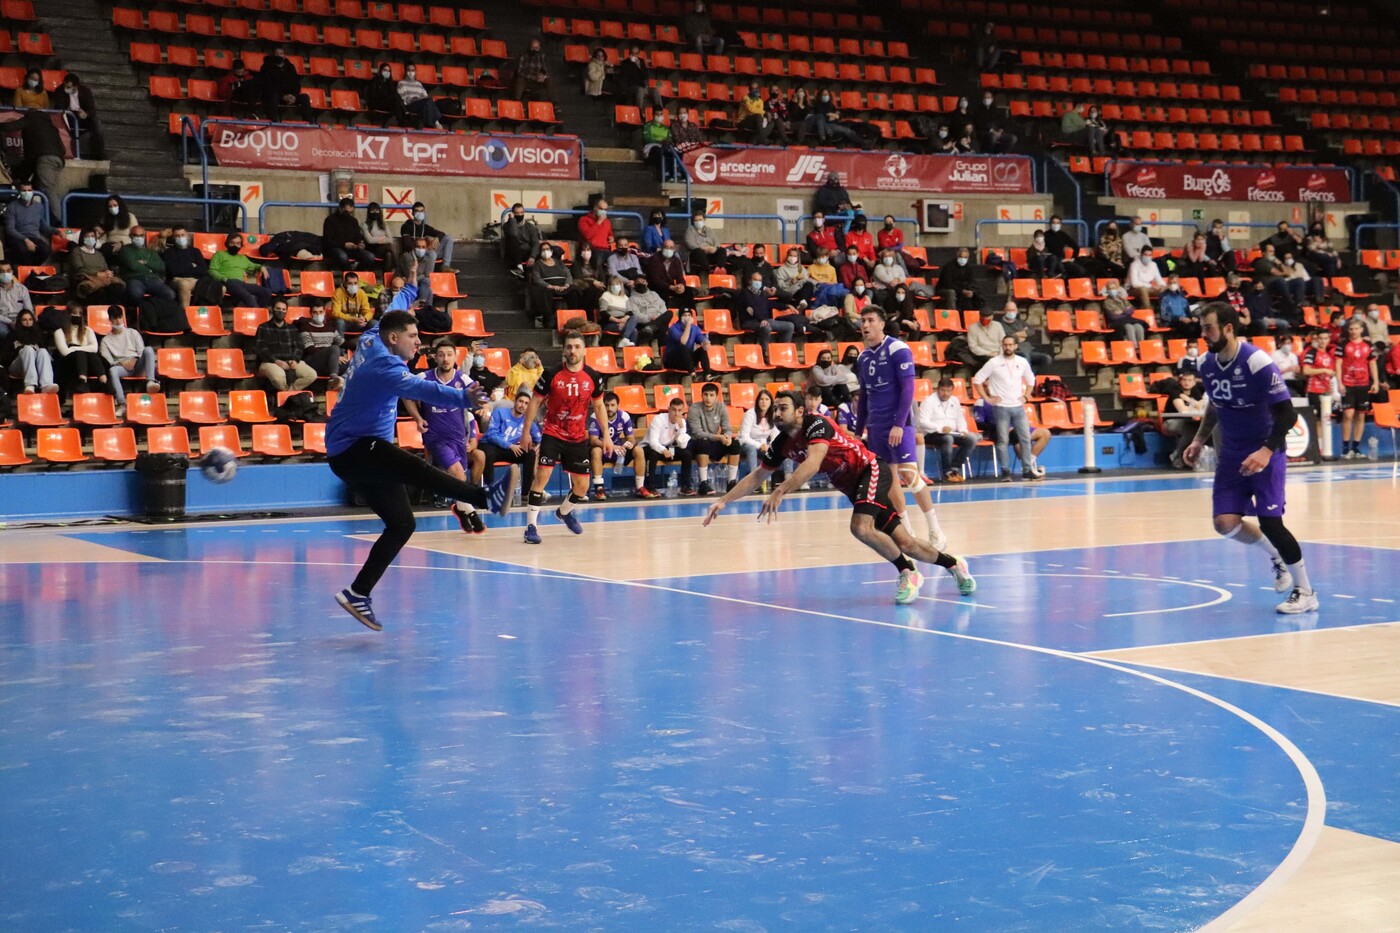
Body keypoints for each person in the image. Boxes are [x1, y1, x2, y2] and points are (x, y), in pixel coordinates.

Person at [703, 390, 975, 605]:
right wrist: (723, 500)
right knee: (905, 542)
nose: (776, 413)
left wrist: (780, 490)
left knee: (860, 527)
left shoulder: (816, 424)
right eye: (775, 409)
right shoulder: (781, 443)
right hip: (853, 485)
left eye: (782, 408)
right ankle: (954, 564)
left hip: (871, 470)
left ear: (800, 411)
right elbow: (757, 475)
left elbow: (813, 463)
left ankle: (907, 572)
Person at [325, 311, 506, 629]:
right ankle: (482, 498)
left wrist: (409, 290)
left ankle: (358, 592)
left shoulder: (372, 337)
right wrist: (463, 398)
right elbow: (426, 391)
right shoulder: (385, 366)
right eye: (413, 336)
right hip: (353, 448)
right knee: (412, 466)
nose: (419, 342)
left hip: (357, 452)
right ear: (394, 338)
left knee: (402, 524)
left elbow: (391, 311)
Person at [1183, 303, 1317, 614]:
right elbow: (1215, 405)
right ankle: (1276, 557)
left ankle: (1306, 591)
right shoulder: (1206, 363)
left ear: (1228, 328)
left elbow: (1287, 414)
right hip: (1231, 453)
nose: (1203, 334)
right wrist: (1199, 439)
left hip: (1265, 452)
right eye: (1202, 328)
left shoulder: (1257, 362)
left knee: (1271, 523)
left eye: (1208, 328)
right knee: (1224, 523)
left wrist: (1266, 451)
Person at [856, 306, 947, 548]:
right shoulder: (862, 357)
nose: (865, 325)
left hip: (898, 423)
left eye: (870, 320)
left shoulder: (897, 349)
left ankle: (935, 530)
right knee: (888, 478)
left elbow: (908, 389)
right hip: (876, 427)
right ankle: (906, 531)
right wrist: (857, 431)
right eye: (863, 321)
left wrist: (898, 424)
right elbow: (863, 397)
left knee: (909, 474)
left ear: (882, 324)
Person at [518, 331, 611, 544]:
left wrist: (606, 435)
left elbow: (599, 407)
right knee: (542, 476)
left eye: (577, 347)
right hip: (553, 432)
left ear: (584, 350)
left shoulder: (593, 377)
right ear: (564, 350)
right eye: (569, 347)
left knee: (582, 487)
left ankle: (564, 512)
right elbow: (535, 402)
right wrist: (525, 432)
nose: (573, 351)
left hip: (577, 436)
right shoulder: (551, 374)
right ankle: (531, 527)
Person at [403, 340, 488, 529]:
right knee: (458, 474)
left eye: (449, 354)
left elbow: (482, 397)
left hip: (458, 436)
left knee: (460, 477)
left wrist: (483, 407)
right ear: (435, 357)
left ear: (455, 357)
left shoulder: (462, 379)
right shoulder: (425, 377)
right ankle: (472, 513)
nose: (445, 359)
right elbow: (405, 394)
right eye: (441, 355)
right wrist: (417, 418)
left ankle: (459, 508)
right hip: (435, 436)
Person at [972, 335, 1040, 481]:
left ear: (1016, 346)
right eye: (1005, 345)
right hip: (1001, 407)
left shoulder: (1022, 361)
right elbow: (977, 380)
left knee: (1025, 439)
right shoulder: (994, 362)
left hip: (1018, 406)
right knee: (1003, 440)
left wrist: (1026, 396)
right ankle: (1005, 471)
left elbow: (1031, 379)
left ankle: (1027, 469)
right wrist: (987, 398)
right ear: (1002, 346)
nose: (1007, 347)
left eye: (1010, 345)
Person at [99, 306, 161, 416]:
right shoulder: (105, 341)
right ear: (110, 319)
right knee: (113, 371)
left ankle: (150, 381)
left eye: (120, 317)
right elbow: (108, 360)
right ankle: (122, 404)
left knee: (148, 350)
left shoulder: (133, 333)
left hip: (137, 364)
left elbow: (141, 351)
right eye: (115, 318)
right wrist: (122, 363)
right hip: (122, 366)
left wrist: (135, 360)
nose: (118, 321)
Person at [479, 387, 541, 498]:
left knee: (530, 454)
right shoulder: (500, 412)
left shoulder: (527, 420)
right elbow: (491, 435)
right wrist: (509, 445)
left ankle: (525, 494)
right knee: (488, 453)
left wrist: (539, 445)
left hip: (510, 449)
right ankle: (489, 491)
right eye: (520, 401)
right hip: (491, 445)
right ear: (515, 401)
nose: (522, 405)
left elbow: (539, 438)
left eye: (526, 403)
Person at [589, 391, 649, 499]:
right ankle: (599, 489)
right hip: (603, 451)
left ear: (618, 406)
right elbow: (593, 440)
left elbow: (631, 438)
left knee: (639, 450)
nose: (609, 408)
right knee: (595, 451)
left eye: (613, 405)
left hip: (618, 451)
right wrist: (611, 446)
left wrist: (629, 444)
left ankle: (640, 487)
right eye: (607, 405)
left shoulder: (624, 416)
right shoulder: (595, 416)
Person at [917, 377, 978, 482]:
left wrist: (963, 430)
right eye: (943, 390)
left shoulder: (955, 400)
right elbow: (923, 422)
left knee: (972, 438)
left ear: (952, 390)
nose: (945, 393)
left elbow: (960, 418)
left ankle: (955, 468)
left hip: (952, 432)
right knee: (948, 438)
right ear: (937, 389)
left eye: (948, 391)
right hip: (931, 433)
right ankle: (947, 471)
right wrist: (940, 428)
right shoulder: (928, 402)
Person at [1336, 317, 1380, 459]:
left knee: (1361, 415)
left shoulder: (1368, 344)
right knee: (1348, 414)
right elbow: (1338, 364)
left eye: (1356, 328)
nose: (1354, 331)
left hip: (1363, 383)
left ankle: (1355, 447)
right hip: (1348, 383)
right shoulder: (1343, 344)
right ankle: (1345, 448)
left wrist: (1376, 382)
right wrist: (1339, 382)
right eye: (1351, 329)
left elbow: (1372, 363)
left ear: (1361, 329)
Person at [255, 299, 317, 393]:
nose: (281, 311)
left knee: (312, 375)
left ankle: (288, 393)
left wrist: (295, 360)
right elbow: (261, 348)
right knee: (279, 377)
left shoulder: (292, 328)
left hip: (290, 360)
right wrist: (277, 361)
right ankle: (288, 395)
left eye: (283, 309)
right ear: (272, 309)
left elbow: (299, 347)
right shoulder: (263, 327)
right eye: (278, 309)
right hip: (269, 362)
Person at [688, 382, 740, 493]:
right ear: (701, 395)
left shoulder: (721, 407)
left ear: (716, 396)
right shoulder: (694, 408)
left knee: (735, 444)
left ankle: (731, 482)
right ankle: (703, 483)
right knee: (703, 443)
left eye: (711, 395)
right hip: (697, 443)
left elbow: (727, 427)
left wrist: (727, 437)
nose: (708, 398)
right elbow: (697, 433)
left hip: (715, 441)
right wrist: (718, 437)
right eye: (705, 395)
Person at [114, 226, 174, 306]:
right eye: (136, 235)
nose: (139, 238)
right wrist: (150, 269)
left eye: (141, 235)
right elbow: (133, 266)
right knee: (135, 294)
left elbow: (161, 267)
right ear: (130, 236)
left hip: (152, 280)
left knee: (170, 294)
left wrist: (145, 262)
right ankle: (139, 310)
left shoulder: (150, 251)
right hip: (134, 279)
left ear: (144, 236)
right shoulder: (125, 250)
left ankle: (151, 308)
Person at [53, 302, 107, 393]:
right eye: (74, 313)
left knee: (93, 355)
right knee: (80, 354)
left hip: (87, 363)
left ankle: (104, 382)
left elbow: (94, 348)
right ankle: (82, 381)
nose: (77, 316)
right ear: (68, 315)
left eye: (80, 314)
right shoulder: (59, 332)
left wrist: (74, 347)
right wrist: (82, 349)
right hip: (68, 364)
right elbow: (65, 352)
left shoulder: (88, 330)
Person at [2, 308, 58, 394]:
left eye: (30, 319)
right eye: (24, 320)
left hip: (35, 365)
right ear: (20, 321)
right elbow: (5, 355)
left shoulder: (39, 335)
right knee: (28, 349)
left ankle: (46, 385)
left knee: (43, 351)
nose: (28, 322)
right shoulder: (12, 335)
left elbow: (45, 355)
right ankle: (30, 384)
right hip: (17, 366)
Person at [209, 233, 272, 307]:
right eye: (232, 243)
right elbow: (212, 270)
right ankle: (257, 313)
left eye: (238, 243)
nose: (235, 245)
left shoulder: (242, 258)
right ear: (227, 243)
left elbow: (254, 266)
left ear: (241, 245)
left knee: (266, 292)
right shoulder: (219, 254)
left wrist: (261, 267)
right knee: (248, 296)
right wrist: (224, 279)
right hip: (227, 282)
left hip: (241, 284)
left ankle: (258, 312)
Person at [3, 182, 57, 265]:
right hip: (17, 237)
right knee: (23, 250)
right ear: (19, 191)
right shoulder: (12, 207)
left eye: (29, 190)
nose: (27, 193)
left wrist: (57, 231)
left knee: (46, 250)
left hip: (33, 237)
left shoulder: (39, 206)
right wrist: (26, 240)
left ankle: (32, 268)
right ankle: (27, 269)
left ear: (33, 191)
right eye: (24, 190)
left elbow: (43, 225)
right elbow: (10, 229)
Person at [1162, 371, 1207, 468]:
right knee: (1191, 428)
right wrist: (1194, 404)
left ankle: (1184, 456)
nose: (1187, 383)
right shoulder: (1175, 391)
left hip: (1188, 421)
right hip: (1170, 421)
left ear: (1194, 382)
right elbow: (1182, 409)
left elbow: (1202, 406)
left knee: (1198, 428)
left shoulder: (1195, 391)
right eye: (1184, 380)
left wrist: (1188, 400)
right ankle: (1178, 456)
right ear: (1180, 381)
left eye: (1190, 380)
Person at [259, 47, 316, 123]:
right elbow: (267, 86)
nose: (279, 56)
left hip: (290, 96)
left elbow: (296, 84)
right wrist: (282, 96)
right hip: (276, 96)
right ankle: (273, 122)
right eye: (277, 54)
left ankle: (309, 123)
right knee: (273, 97)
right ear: (273, 55)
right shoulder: (266, 67)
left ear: (284, 55)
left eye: (281, 54)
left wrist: (294, 96)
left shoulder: (290, 67)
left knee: (305, 97)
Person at [296, 298, 344, 382]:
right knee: (335, 348)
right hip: (312, 361)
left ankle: (338, 383)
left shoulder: (330, 328)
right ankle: (333, 379)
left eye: (321, 312)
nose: (318, 315)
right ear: (310, 313)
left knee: (352, 364)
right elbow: (310, 349)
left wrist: (362, 343)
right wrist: (333, 356)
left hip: (329, 362)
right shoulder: (304, 328)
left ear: (324, 312)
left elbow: (343, 343)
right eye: (315, 312)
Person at [321, 197, 375, 271]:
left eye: (350, 212)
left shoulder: (353, 221)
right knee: (343, 256)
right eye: (346, 212)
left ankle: (356, 273)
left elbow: (358, 236)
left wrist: (360, 244)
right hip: (335, 248)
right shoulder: (330, 220)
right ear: (340, 208)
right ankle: (349, 274)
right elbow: (328, 241)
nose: (348, 214)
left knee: (370, 257)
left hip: (352, 249)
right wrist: (344, 244)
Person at [161, 226, 208, 307]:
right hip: (177, 280)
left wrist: (183, 268)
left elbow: (203, 270)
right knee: (184, 284)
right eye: (177, 236)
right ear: (173, 238)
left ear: (187, 235)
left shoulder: (195, 251)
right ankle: (184, 311)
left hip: (195, 280)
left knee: (219, 287)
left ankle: (211, 312)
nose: (180, 238)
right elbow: (173, 271)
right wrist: (191, 265)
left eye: (182, 235)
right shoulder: (168, 252)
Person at [527, 242, 571, 328]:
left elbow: (568, 275)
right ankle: (549, 318)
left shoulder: (559, 262)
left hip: (563, 286)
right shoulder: (537, 264)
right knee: (542, 292)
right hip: (548, 286)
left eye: (547, 249)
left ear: (551, 251)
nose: (545, 251)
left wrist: (566, 285)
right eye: (543, 250)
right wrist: (551, 286)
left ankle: (572, 317)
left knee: (575, 291)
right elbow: (537, 279)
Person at [644, 238, 694, 313]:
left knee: (688, 291)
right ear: (662, 248)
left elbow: (680, 277)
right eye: (666, 247)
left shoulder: (676, 261)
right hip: (656, 287)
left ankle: (689, 314)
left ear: (674, 249)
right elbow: (655, 280)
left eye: (671, 248)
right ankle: (664, 314)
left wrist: (681, 285)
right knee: (664, 292)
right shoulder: (654, 259)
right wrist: (671, 287)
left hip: (670, 287)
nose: (668, 249)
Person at [400, 201, 453, 267]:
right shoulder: (406, 226)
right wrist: (422, 248)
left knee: (448, 238)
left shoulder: (426, 227)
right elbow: (407, 245)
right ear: (413, 213)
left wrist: (437, 238)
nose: (420, 213)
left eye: (422, 211)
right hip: (413, 253)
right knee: (432, 254)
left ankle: (446, 266)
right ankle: (427, 272)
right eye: (417, 211)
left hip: (425, 252)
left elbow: (442, 234)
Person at [396, 63, 443, 129]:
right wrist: (413, 100)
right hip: (409, 106)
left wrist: (419, 99)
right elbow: (401, 100)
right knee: (427, 103)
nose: (411, 72)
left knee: (428, 102)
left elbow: (425, 96)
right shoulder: (401, 83)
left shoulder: (419, 84)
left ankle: (431, 124)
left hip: (420, 105)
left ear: (415, 72)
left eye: (413, 70)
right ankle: (435, 123)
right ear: (405, 71)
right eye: (409, 70)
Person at [663, 306, 709, 372]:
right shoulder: (673, 328)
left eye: (689, 315)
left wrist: (705, 342)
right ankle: (692, 374)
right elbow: (683, 341)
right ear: (680, 317)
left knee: (702, 350)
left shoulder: (694, 328)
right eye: (684, 315)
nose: (687, 317)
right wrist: (688, 325)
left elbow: (700, 336)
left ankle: (708, 375)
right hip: (673, 360)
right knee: (683, 347)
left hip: (687, 361)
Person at [1102, 282, 1146, 348]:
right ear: (1107, 290)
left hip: (1126, 320)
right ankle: (1134, 346)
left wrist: (1122, 312)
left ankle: (1142, 346)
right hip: (1115, 322)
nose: (1112, 290)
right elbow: (1113, 316)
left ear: (1117, 289)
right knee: (1129, 326)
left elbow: (1131, 310)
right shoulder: (1107, 302)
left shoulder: (1122, 299)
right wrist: (1126, 312)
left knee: (1138, 326)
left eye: (1113, 288)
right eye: (1110, 289)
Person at [501, 202, 541, 275]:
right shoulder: (507, 226)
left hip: (526, 252)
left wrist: (532, 256)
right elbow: (513, 233)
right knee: (513, 239)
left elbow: (535, 243)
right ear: (513, 213)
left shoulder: (530, 227)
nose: (519, 215)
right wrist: (512, 220)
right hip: (512, 252)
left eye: (521, 212)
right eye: (517, 213)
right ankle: (519, 267)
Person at [683, 211, 725, 276]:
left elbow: (717, 242)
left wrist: (715, 248)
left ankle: (720, 269)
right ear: (693, 221)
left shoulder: (709, 230)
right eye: (696, 220)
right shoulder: (690, 230)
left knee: (722, 250)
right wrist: (704, 248)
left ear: (704, 220)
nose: (698, 222)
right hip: (697, 254)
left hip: (710, 253)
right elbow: (690, 244)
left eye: (700, 220)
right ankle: (709, 270)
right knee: (698, 251)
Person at [0, 261, 34, 341]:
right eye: (2, 271)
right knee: (3, 332)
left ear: (12, 271)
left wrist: (20, 321)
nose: (6, 273)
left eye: (8, 270)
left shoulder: (22, 289)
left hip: (20, 319)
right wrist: (10, 322)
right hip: (3, 320)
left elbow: (28, 309)